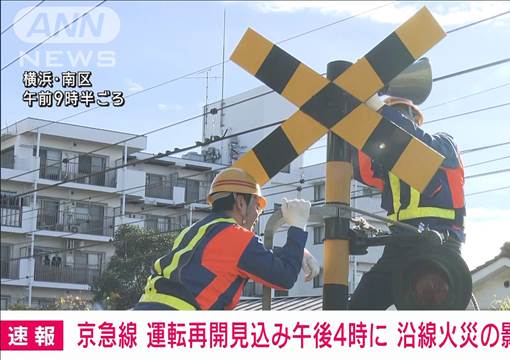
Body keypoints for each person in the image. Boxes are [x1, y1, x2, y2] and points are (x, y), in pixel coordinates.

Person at [134, 167, 320, 310]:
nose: (257, 214)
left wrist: (298, 252)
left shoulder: (194, 232)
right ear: (240, 202)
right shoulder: (236, 237)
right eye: (257, 206)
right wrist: (297, 226)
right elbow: (284, 277)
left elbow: (245, 258)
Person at [349, 96, 466, 310]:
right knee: (360, 306)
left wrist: (379, 109)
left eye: (401, 113)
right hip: (399, 246)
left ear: (415, 119)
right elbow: (362, 169)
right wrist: (360, 124)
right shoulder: (389, 166)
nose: (395, 120)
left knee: (429, 313)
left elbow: (416, 139)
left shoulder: (444, 144)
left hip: (439, 245)